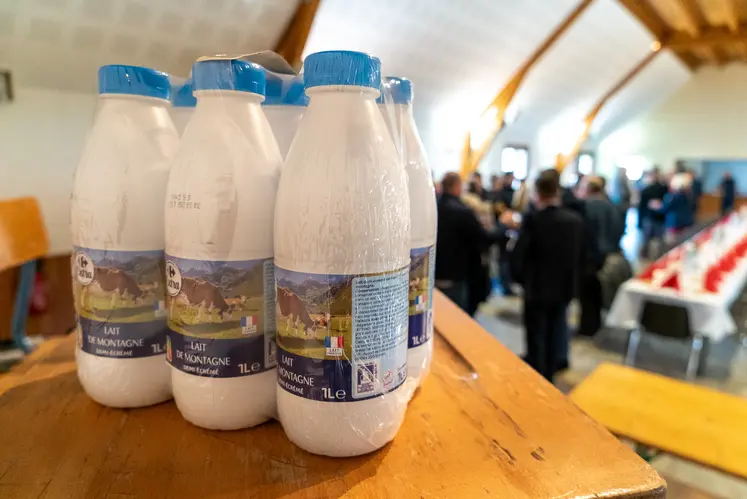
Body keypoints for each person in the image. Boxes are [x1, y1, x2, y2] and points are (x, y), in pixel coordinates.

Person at [510, 170, 584, 381]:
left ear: (538, 193)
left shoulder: (534, 220)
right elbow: (580, 256)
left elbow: (520, 254)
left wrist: (519, 279)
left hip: (537, 286)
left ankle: (537, 372)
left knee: (536, 333)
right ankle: (550, 371)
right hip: (564, 286)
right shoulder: (575, 221)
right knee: (556, 329)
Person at [435, 172, 512, 313]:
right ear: (458, 186)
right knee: (459, 317)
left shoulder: (434, 206)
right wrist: (502, 225)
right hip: (457, 275)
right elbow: (484, 238)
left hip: (435, 273)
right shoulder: (462, 212)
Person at [576, 176, 621, 337]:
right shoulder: (611, 207)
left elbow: (583, 232)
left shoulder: (586, 207)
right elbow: (618, 230)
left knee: (586, 295)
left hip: (589, 256)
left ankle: (587, 327)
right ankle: (595, 324)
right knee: (597, 292)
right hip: (607, 256)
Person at [638, 168, 668, 258]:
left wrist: (639, 222)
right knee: (659, 240)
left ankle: (645, 256)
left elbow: (641, 207)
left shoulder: (646, 190)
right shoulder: (664, 189)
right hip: (659, 218)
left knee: (647, 239)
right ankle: (658, 256)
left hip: (650, 217)